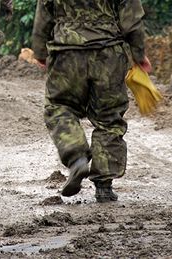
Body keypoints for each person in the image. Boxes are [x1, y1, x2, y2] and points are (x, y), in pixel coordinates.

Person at [32, 0, 152, 202]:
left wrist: (40, 51)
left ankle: (77, 157)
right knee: (109, 117)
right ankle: (104, 186)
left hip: (66, 52)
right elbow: (132, 19)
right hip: (108, 52)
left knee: (59, 106)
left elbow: (43, 13)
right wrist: (139, 54)